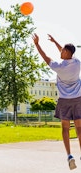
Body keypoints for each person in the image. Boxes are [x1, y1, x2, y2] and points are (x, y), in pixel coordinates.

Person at [33, 33, 81, 170]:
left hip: (65, 100)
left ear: (66, 52)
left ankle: (70, 156)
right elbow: (66, 52)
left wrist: (37, 44)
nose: (61, 52)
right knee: (79, 128)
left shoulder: (58, 66)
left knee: (65, 128)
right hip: (78, 99)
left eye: (63, 50)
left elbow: (45, 57)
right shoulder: (77, 63)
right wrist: (55, 42)